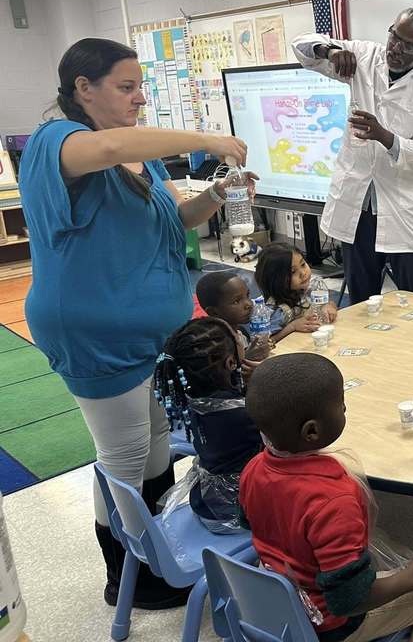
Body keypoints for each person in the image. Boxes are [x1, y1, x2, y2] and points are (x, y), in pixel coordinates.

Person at [19, 38, 254, 608]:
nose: (138, 99)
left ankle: (157, 550)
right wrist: (204, 138)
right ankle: (126, 573)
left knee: (152, 443)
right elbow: (109, 146)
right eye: (126, 87)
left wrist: (218, 193)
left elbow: (177, 219)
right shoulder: (58, 141)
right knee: (122, 454)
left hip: (150, 335)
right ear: (83, 89)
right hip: (96, 335)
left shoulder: (140, 158)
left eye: (139, 87)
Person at [240, 353, 413, 641]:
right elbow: (348, 601)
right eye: (341, 406)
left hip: (277, 605)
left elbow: (249, 522)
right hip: (327, 625)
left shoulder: (254, 468)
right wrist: (411, 579)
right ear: (312, 431)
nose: (344, 409)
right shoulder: (333, 501)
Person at [292, 9, 413, 304]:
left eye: (407, 45)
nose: (396, 49)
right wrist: (330, 50)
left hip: (402, 205)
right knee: (362, 296)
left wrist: (384, 136)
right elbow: (302, 48)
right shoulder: (365, 57)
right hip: (358, 203)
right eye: (394, 37)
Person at [153, 317, 263, 534]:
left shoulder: (191, 399)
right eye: (236, 337)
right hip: (236, 514)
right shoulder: (243, 413)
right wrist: (263, 379)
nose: (241, 338)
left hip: (205, 502)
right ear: (231, 363)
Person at [195, 271, 273, 380]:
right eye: (237, 301)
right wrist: (246, 360)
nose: (249, 304)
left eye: (247, 295)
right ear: (214, 312)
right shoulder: (213, 346)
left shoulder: (240, 331)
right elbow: (221, 383)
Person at [254, 243, 336, 342]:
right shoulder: (276, 311)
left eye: (303, 264)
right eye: (293, 272)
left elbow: (327, 305)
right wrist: (292, 327)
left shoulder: (304, 290)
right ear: (276, 280)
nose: (303, 273)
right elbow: (264, 343)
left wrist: (329, 306)